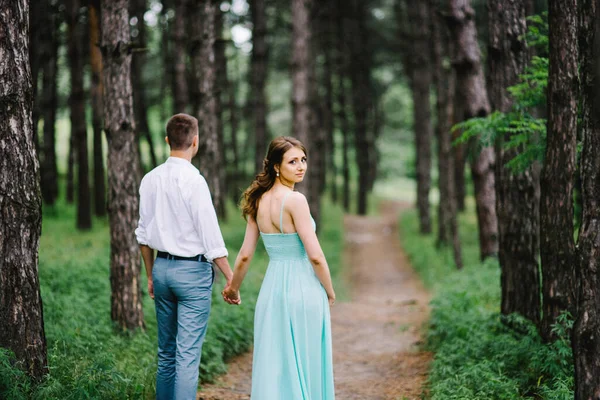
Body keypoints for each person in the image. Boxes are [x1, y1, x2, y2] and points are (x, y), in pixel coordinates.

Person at [222, 136, 336, 399]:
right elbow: (316, 256)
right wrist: (329, 290)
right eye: (292, 161)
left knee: (276, 365)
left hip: (272, 292)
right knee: (305, 362)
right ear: (275, 166)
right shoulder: (296, 201)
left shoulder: (258, 200)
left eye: (303, 160)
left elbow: (245, 256)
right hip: (303, 289)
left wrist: (233, 288)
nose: (301, 167)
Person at [135, 113, 238, 400]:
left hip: (162, 269)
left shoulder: (149, 179)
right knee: (187, 356)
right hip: (192, 274)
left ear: (167, 140)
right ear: (195, 142)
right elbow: (212, 239)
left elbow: (143, 235)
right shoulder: (195, 181)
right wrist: (232, 279)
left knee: (166, 352)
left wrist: (150, 275)